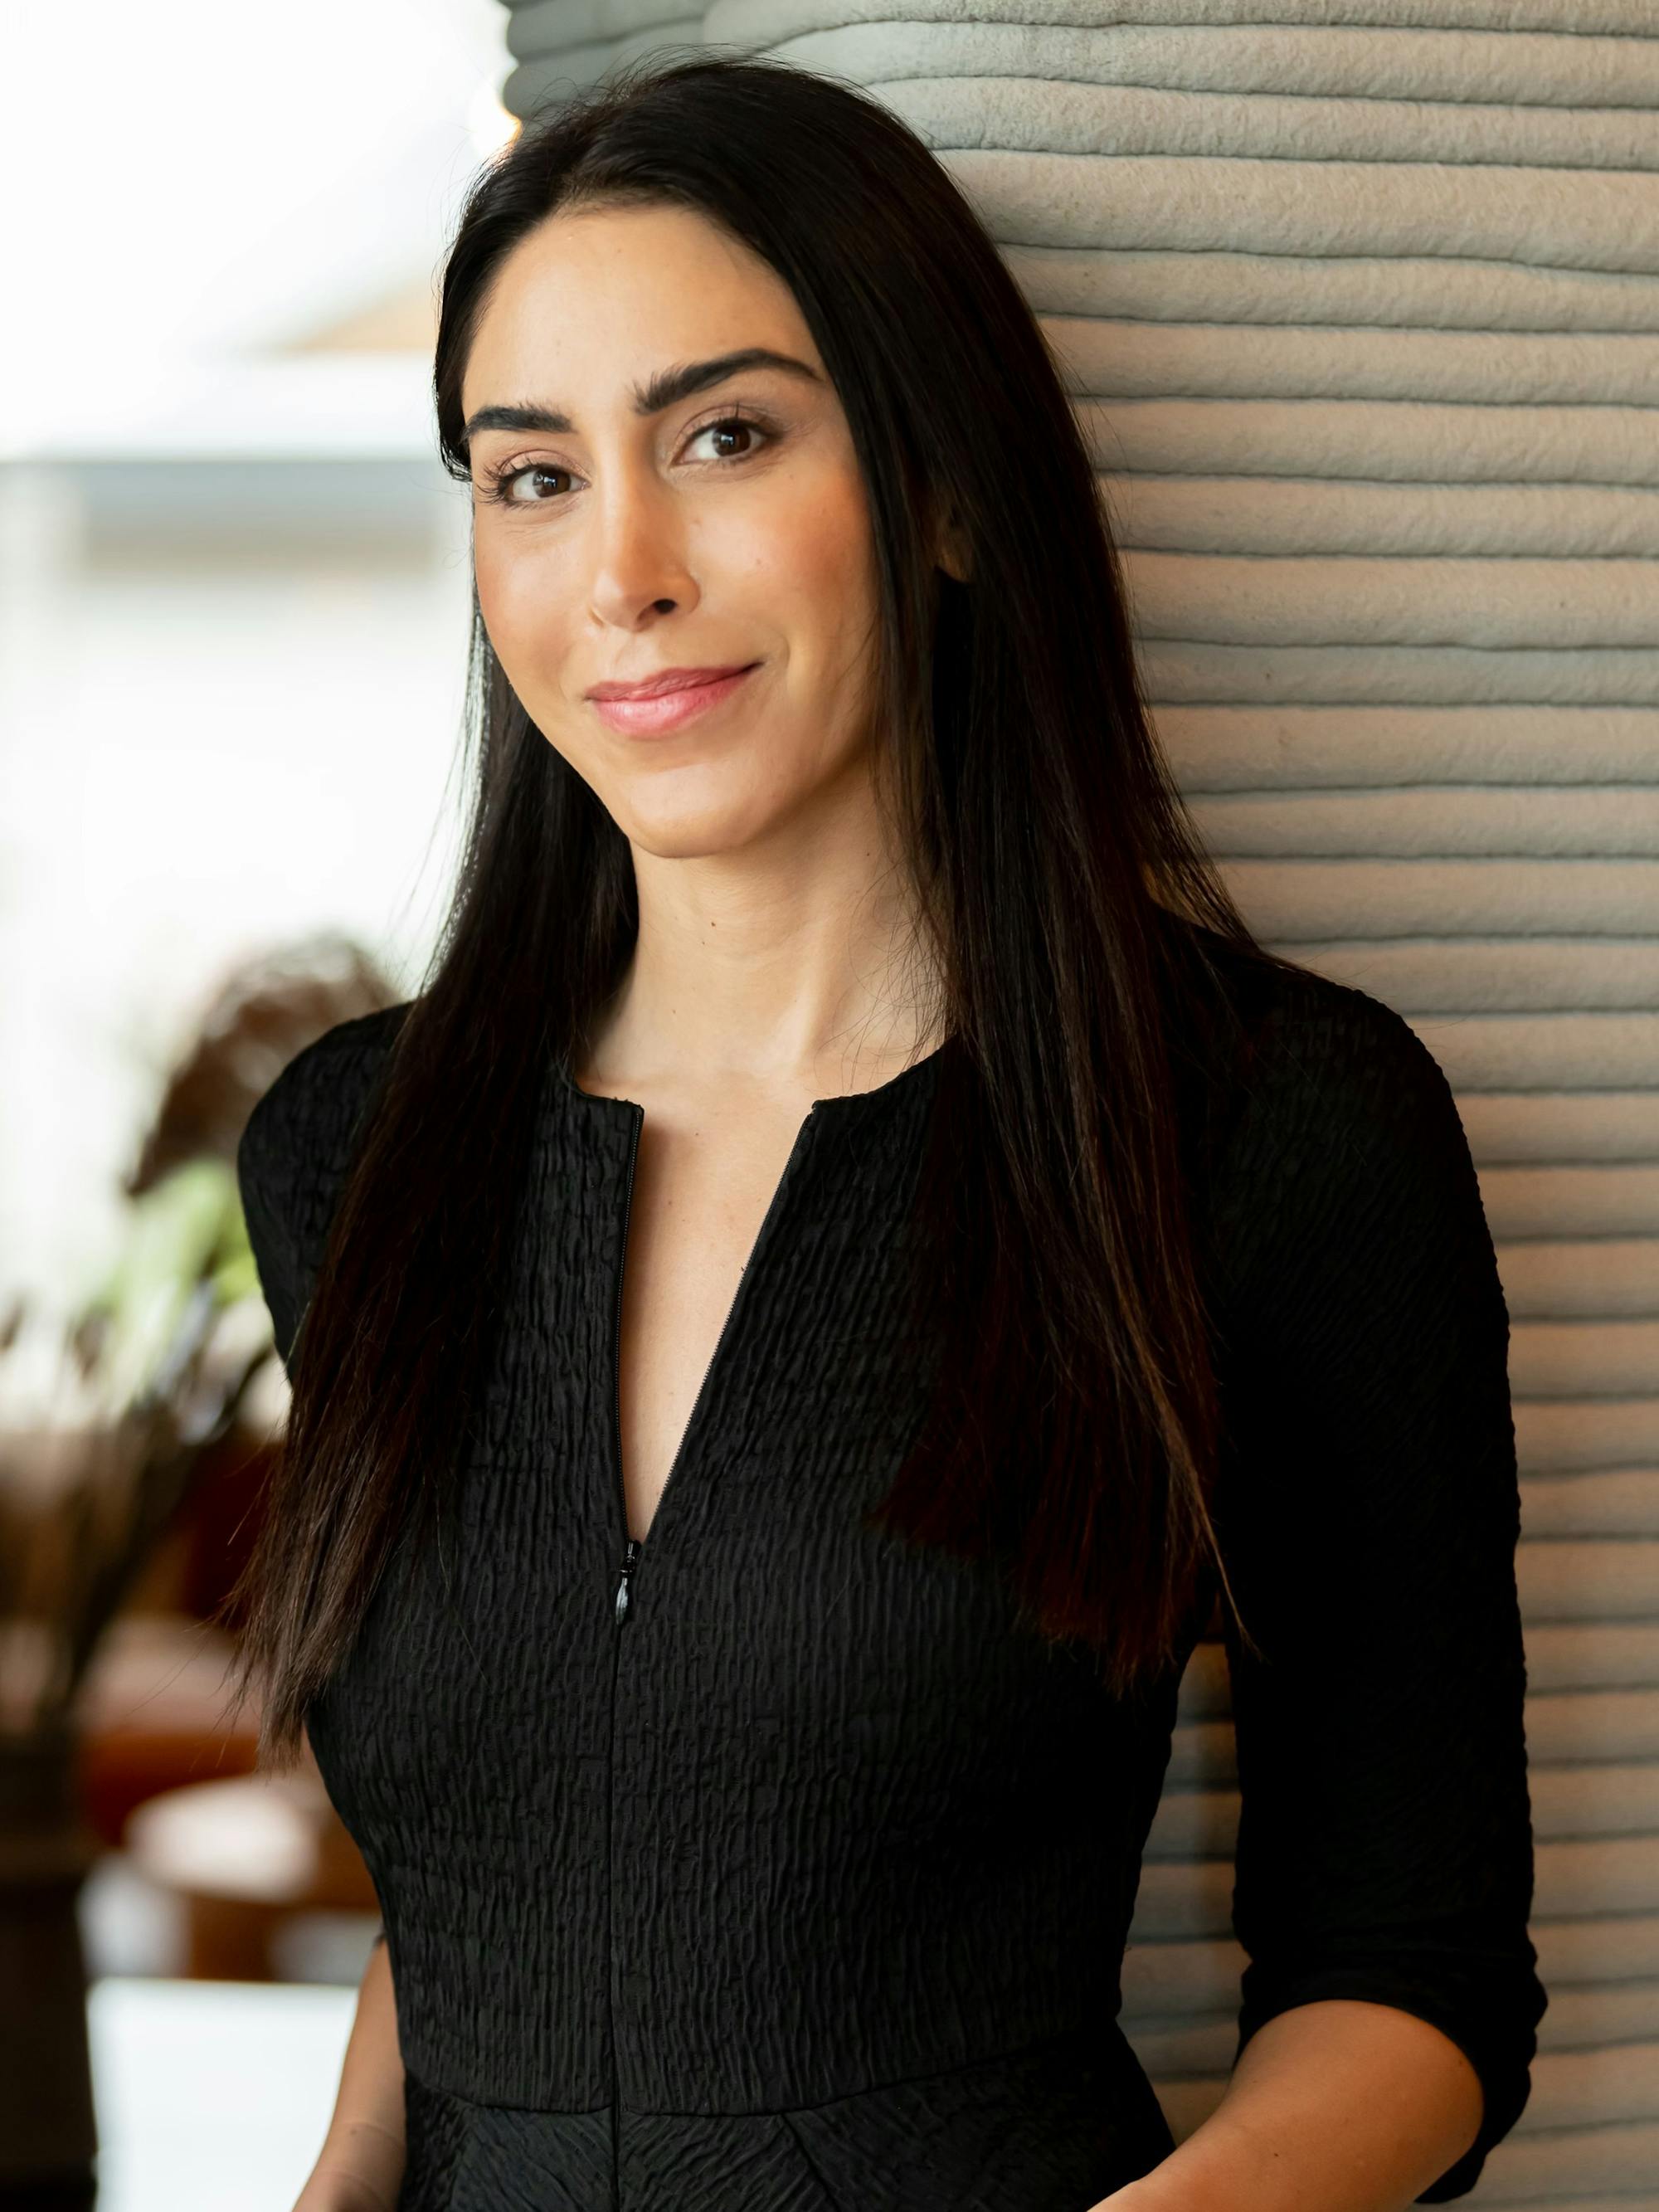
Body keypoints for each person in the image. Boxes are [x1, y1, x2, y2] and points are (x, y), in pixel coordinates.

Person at [226, 51, 1545, 2212]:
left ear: (941, 490)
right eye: (529, 474)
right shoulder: (354, 1151)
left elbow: (1408, 1983)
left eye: (723, 436)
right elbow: (489, 1871)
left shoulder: (1268, 1131)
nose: (621, 569)